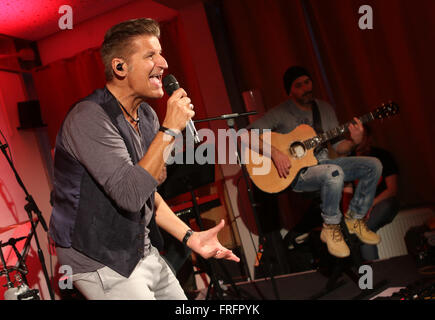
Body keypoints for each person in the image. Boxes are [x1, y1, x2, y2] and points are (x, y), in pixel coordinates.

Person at [48, 18, 239, 300]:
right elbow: (130, 195)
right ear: (120, 67)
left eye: (160, 53)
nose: (163, 63)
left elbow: (149, 189)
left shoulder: (147, 115)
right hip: (99, 258)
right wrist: (170, 129)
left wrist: (191, 237)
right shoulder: (89, 118)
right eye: (150, 55)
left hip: (140, 248)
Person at [246, 66, 382, 259]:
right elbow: (246, 136)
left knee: (373, 165)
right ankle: (331, 226)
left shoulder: (325, 109)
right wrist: (275, 154)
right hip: (299, 173)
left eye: (307, 82)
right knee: (333, 172)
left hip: (327, 165)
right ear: (290, 90)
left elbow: (340, 146)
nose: (305, 88)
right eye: (298, 85)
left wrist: (355, 141)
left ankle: (356, 218)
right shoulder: (281, 112)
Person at [343, 124, 400, 261]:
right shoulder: (350, 160)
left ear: (367, 137)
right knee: (360, 232)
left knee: (363, 231)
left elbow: (392, 190)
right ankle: (370, 275)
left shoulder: (382, 156)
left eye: (359, 135)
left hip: (383, 203)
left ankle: (369, 274)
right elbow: (347, 192)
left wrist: (369, 205)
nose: (355, 139)